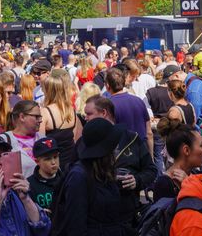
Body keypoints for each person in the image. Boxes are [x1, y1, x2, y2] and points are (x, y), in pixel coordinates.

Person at [82, 95, 157, 230]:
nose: (85, 118)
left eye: (89, 114)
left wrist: (137, 180)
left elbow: (151, 170)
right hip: (99, 219)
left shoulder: (132, 138)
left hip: (127, 214)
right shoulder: (87, 144)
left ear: (104, 113)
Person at [51, 118, 133, 235]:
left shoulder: (101, 171)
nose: (117, 148)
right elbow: (75, 227)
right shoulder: (78, 177)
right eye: (114, 144)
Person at [104, 66, 154, 157]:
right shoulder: (138, 101)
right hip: (141, 153)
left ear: (107, 86)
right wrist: (150, 157)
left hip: (122, 156)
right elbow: (149, 133)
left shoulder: (108, 105)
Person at [153, 119, 202, 201]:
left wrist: (189, 183)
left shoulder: (197, 175)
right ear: (186, 150)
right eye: (201, 145)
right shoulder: (164, 184)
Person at [39, 72, 81, 171]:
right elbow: (77, 139)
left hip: (53, 166)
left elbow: (40, 142)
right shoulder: (71, 110)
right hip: (71, 163)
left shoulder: (45, 112)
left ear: (49, 91)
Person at [5, 100, 44, 178]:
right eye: (36, 117)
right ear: (22, 117)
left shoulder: (43, 139)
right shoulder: (5, 140)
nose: (40, 120)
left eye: (40, 117)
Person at [27, 136, 62, 213]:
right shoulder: (29, 185)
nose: (53, 162)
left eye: (55, 157)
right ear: (37, 161)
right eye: (48, 159)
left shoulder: (66, 179)